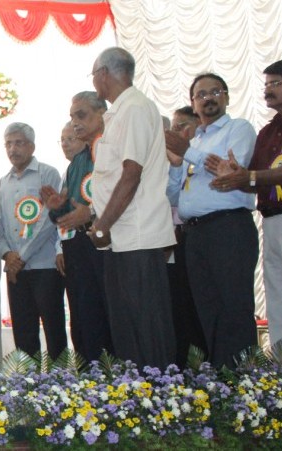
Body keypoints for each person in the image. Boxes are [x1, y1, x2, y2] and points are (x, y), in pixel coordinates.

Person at [211, 59, 282, 363]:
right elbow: (256, 181)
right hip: (273, 222)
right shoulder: (268, 132)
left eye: (275, 83)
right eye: (265, 85)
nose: (267, 91)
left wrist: (249, 177)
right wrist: (237, 175)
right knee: (280, 306)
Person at [87, 47, 177, 368]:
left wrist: (101, 226)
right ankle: (134, 402)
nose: (94, 81)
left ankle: (159, 402)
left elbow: (131, 173)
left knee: (147, 329)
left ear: (104, 74)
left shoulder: (136, 109)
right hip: (121, 239)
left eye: (94, 74)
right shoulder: (119, 112)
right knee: (127, 329)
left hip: (138, 237)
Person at [166, 74, 258, 369]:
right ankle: (221, 381)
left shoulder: (238, 128)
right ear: (194, 103)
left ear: (226, 97)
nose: (208, 98)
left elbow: (228, 171)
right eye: (201, 94)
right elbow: (175, 195)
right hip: (195, 234)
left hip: (229, 228)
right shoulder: (195, 141)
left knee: (234, 308)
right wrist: (174, 164)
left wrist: (187, 153)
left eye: (215, 92)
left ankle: (243, 381)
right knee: (207, 309)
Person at [42, 106, 112, 362]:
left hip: (100, 241)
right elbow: (66, 216)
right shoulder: (72, 169)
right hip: (77, 246)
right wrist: (57, 207)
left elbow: (111, 197)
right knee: (82, 314)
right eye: (62, 140)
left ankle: (108, 369)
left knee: (102, 312)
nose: (66, 144)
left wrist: (91, 213)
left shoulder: (99, 156)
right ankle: (86, 371)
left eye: (70, 137)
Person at [0, 122, 66, 360]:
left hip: (45, 266)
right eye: (8, 144)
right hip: (16, 270)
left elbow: (49, 221)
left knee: (54, 328)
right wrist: (7, 255)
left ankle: (60, 384)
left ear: (32, 146)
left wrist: (21, 256)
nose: (12, 149)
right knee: (23, 332)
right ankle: (28, 387)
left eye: (18, 143)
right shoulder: (3, 182)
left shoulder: (48, 173)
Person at [163, 105, 207, 366]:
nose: (174, 133)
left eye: (181, 127)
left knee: (202, 306)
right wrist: (177, 165)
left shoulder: (205, 155)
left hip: (203, 234)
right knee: (181, 308)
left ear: (197, 127)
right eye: (172, 128)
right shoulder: (175, 160)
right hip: (178, 238)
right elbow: (171, 195)